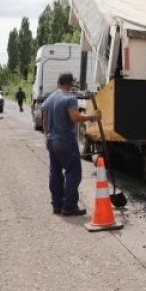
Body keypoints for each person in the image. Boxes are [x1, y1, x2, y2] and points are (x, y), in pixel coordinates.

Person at [42, 73, 101, 216]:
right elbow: (74, 117)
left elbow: (45, 122)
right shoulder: (70, 98)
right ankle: (69, 206)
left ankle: (57, 205)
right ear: (71, 84)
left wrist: (47, 137)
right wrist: (92, 117)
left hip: (52, 140)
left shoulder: (49, 99)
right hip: (66, 141)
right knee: (74, 172)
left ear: (58, 82)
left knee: (55, 173)